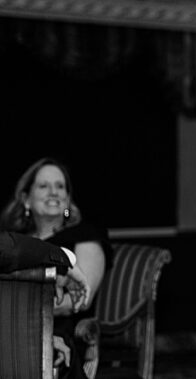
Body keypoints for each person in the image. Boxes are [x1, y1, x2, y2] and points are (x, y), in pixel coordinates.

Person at [1, 158, 111, 379]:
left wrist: (20, 314)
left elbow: (80, 299)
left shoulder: (85, 236)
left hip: (60, 333)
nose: (54, 192)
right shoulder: (16, 244)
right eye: (44, 186)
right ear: (26, 198)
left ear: (68, 199)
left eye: (60, 186)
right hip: (9, 330)